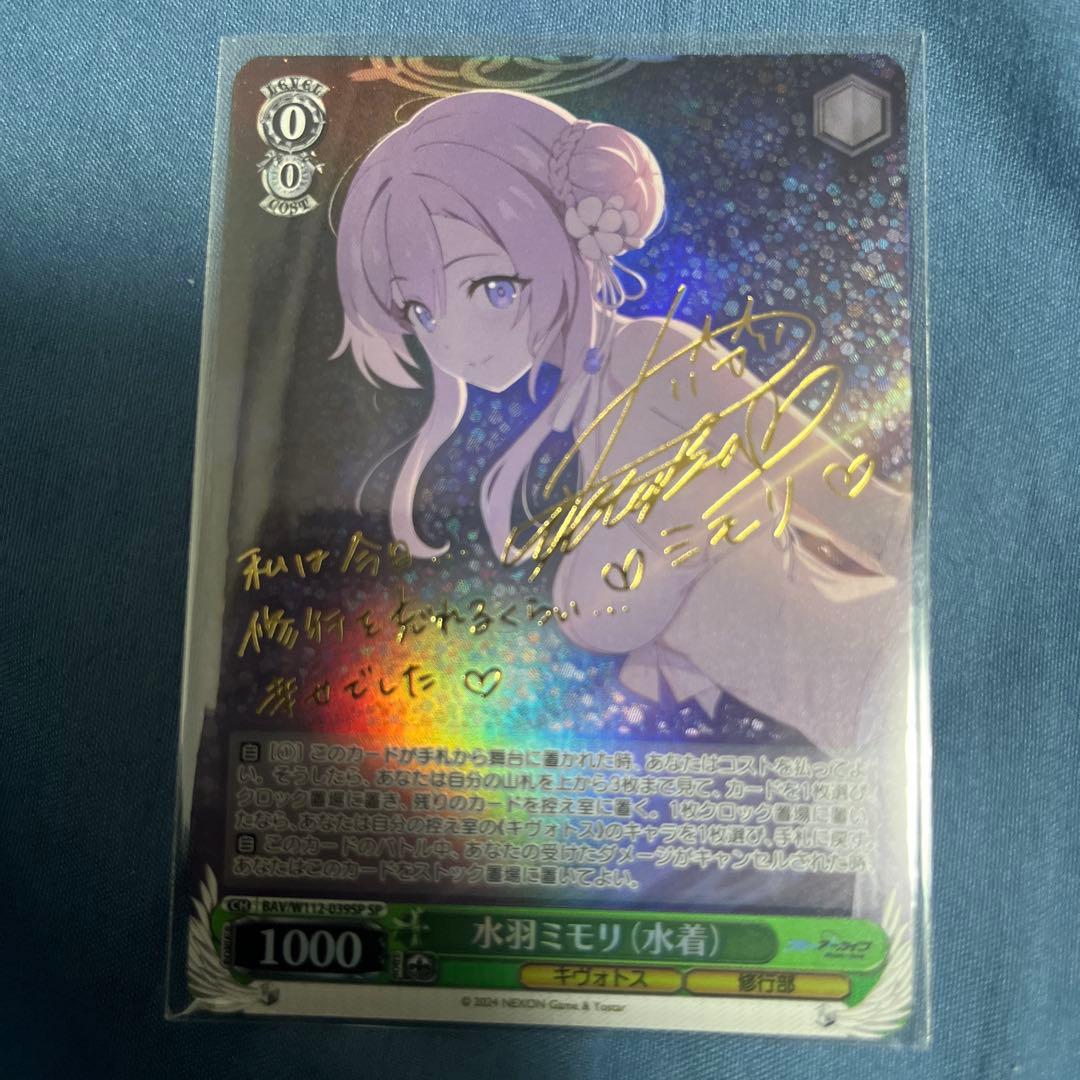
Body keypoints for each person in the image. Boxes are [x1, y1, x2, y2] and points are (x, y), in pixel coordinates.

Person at [334, 88, 911, 757]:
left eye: (489, 288)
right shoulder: (577, 434)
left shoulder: (649, 358)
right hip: (858, 731)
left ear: (562, 242)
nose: (454, 341)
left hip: (889, 673)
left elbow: (856, 501)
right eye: (421, 312)